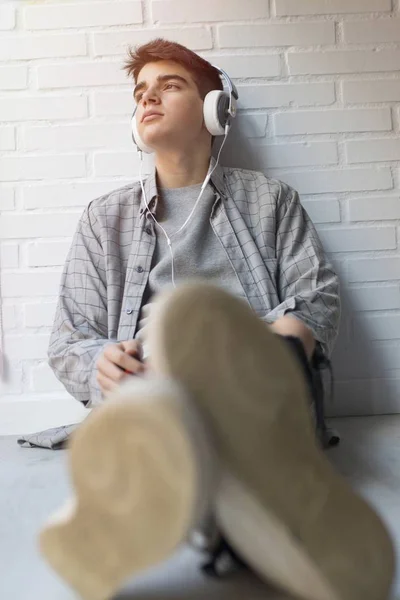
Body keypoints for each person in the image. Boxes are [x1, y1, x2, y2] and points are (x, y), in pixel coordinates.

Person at [40, 39, 394, 600]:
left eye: (169, 85)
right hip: (150, 388)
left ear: (215, 110)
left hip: (253, 383)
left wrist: (276, 342)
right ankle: (245, 511)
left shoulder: (270, 201)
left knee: (206, 358)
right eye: (140, 93)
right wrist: (98, 364)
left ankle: (161, 511)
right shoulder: (103, 218)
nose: (148, 98)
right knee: (156, 390)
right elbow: (68, 339)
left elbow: (318, 294)